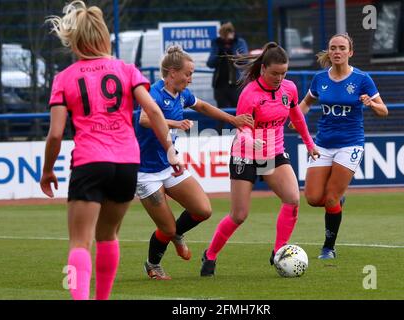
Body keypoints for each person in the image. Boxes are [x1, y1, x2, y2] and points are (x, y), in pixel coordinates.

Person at [40, 1, 182, 300]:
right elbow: (154, 112)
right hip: (127, 164)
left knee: (80, 242)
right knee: (108, 236)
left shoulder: (65, 78)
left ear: (75, 39)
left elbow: (55, 134)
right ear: (104, 36)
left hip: (90, 161)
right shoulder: (126, 70)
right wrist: (170, 149)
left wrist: (48, 170)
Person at [200, 42, 320, 277]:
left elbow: (296, 116)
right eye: (275, 73)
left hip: (273, 153)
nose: (279, 77)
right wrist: (249, 138)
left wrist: (310, 144)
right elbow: (240, 126)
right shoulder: (250, 93)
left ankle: (279, 252)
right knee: (239, 215)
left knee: (293, 199)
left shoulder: (289, 89)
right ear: (263, 69)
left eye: (283, 73)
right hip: (245, 154)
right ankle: (211, 254)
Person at [135, 45, 254, 280]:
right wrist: (174, 123)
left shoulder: (182, 94)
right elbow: (145, 118)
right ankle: (153, 264)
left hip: (170, 164)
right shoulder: (154, 93)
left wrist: (233, 119)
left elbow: (202, 106)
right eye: (187, 74)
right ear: (171, 73)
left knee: (202, 210)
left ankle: (177, 233)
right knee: (166, 228)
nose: (190, 79)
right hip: (146, 171)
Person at [296, 33, 388, 259]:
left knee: (330, 199)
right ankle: (337, 201)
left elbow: (384, 111)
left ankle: (328, 247)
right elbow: (307, 102)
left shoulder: (362, 78)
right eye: (333, 48)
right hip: (323, 144)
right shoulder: (320, 78)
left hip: (350, 144)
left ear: (350, 52)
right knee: (313, 198)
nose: (337, 52)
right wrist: (295, 118)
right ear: (329, 52)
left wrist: (371, 103)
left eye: (341, 48)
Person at [207, 22, 248, 133]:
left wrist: (232, 53)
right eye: (223, 37)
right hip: (220, 84)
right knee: (221, 112)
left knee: (239, 110)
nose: (225, 40)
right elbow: (210, 63)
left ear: (232, 34)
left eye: (227, 36)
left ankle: (242, 134)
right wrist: (220, 53)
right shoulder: (216, 43)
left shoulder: (239, 42)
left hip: (236, 84)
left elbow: (245, 60)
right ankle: (219, 136)